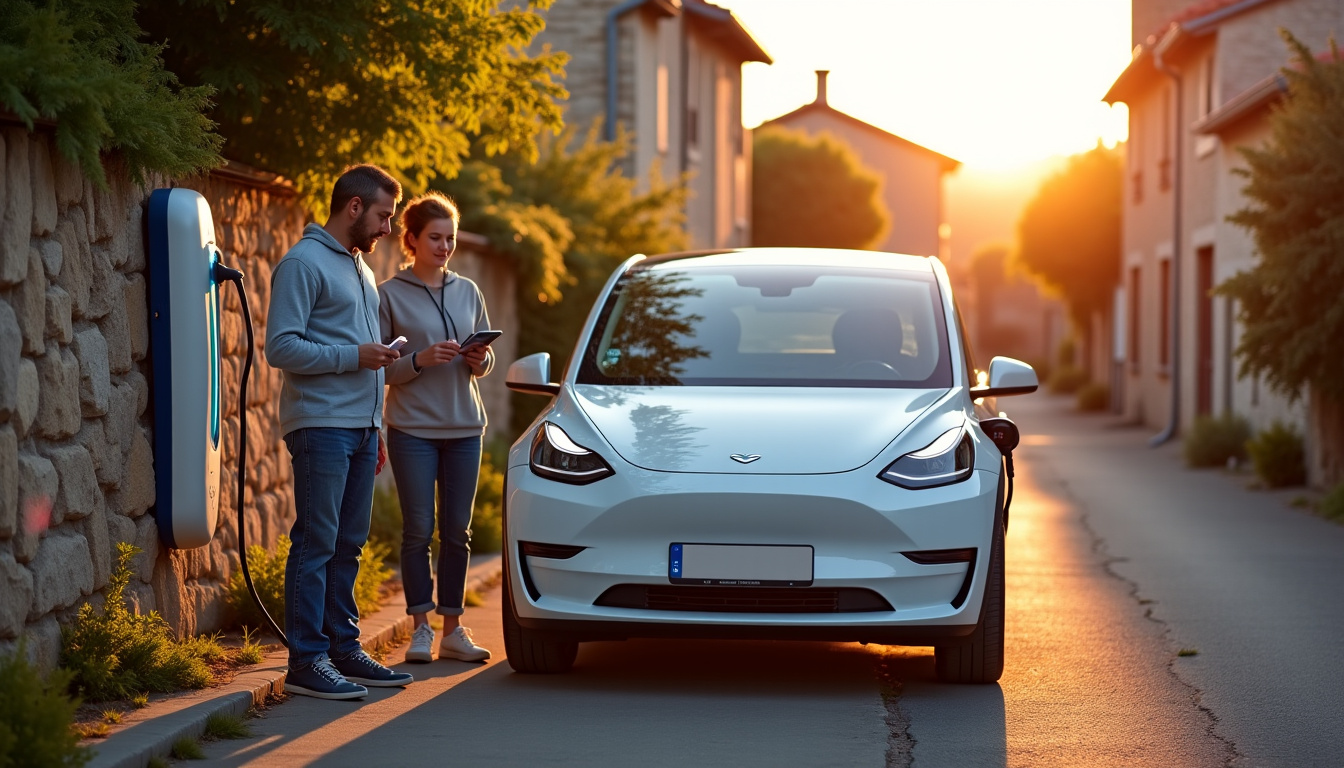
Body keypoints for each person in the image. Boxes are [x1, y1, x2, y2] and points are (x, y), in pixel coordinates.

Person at [265, 164, 416, 699]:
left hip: (358, 428)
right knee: (317, 542)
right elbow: (280, 347)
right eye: (382, 216)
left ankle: (343, 649)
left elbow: (365, 358)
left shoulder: (361, 268)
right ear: (353, 207)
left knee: (349, 544)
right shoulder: (302, 263)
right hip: (320, 425)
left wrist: (374, 426)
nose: (388, 229)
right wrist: (355, 356)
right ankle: (307, 661)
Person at [377, 192, 494, 663]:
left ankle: (452, 629)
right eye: (435, 238)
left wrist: (480, 359)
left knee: (457, 532)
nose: (445, 246)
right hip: (413, 429)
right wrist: (420, 361)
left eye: (451, 238)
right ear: (411, 239)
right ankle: (420, 627)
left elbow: (487, 358)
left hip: (466, 427)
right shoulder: (389, 293)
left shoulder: (468, 290)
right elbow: (382, 368)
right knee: (418, 530)